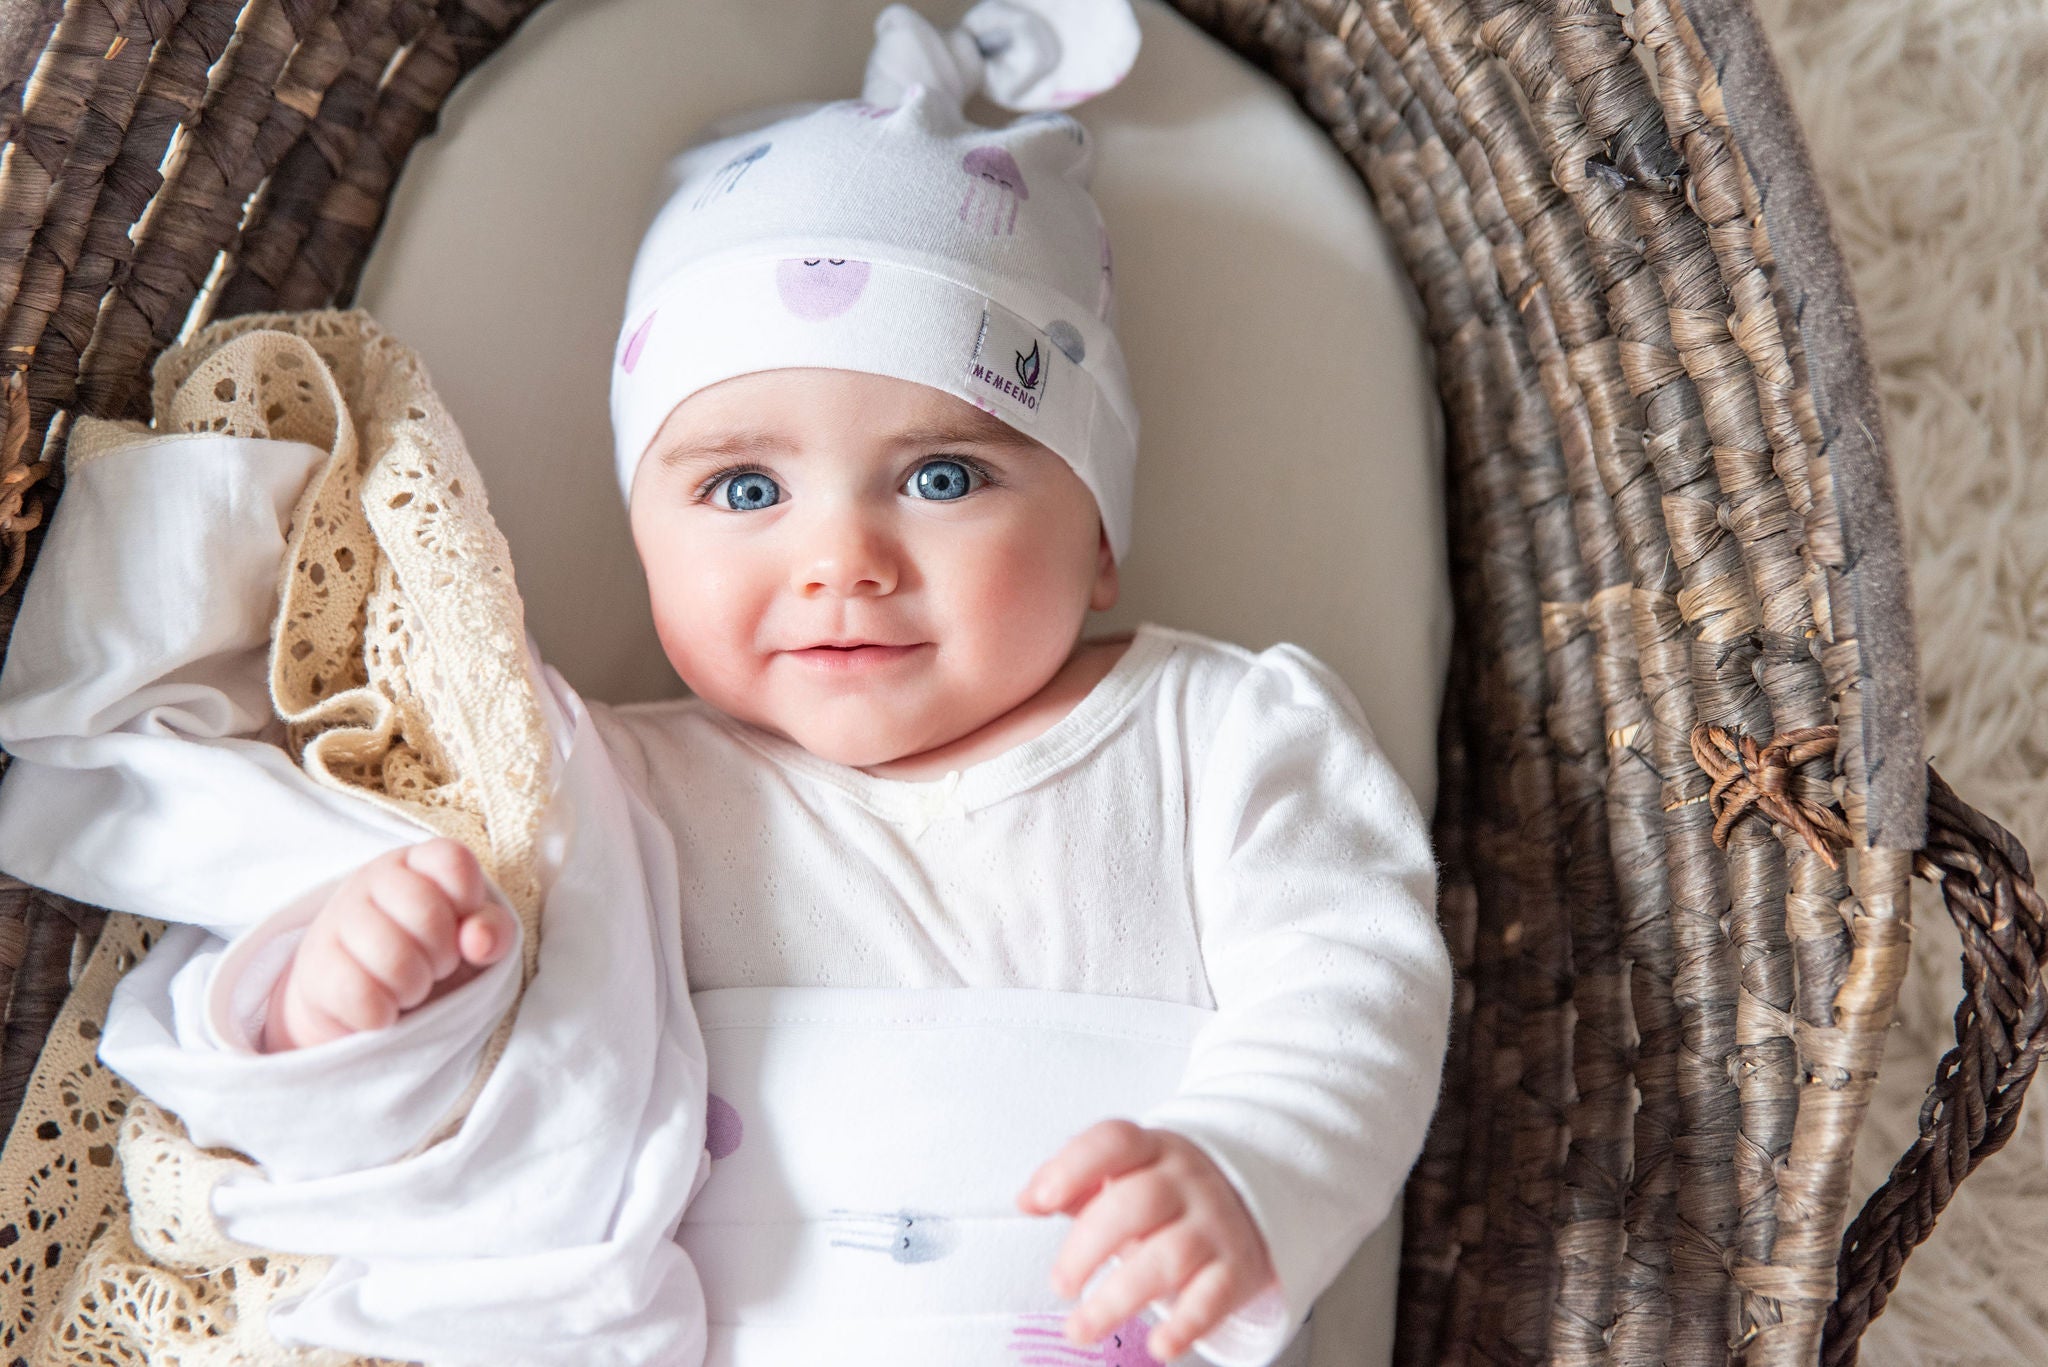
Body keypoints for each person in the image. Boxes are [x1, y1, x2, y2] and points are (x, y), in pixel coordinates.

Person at [0, 3, 1451, 1365]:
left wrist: (1254, 1166)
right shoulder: (600, 791)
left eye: (943, 475)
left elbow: (1357, 997)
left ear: (1100, 534)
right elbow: (479, 1142)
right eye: (746, 486)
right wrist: (344, 994)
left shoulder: (1223, 735)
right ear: (644, 533)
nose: (843, 559)